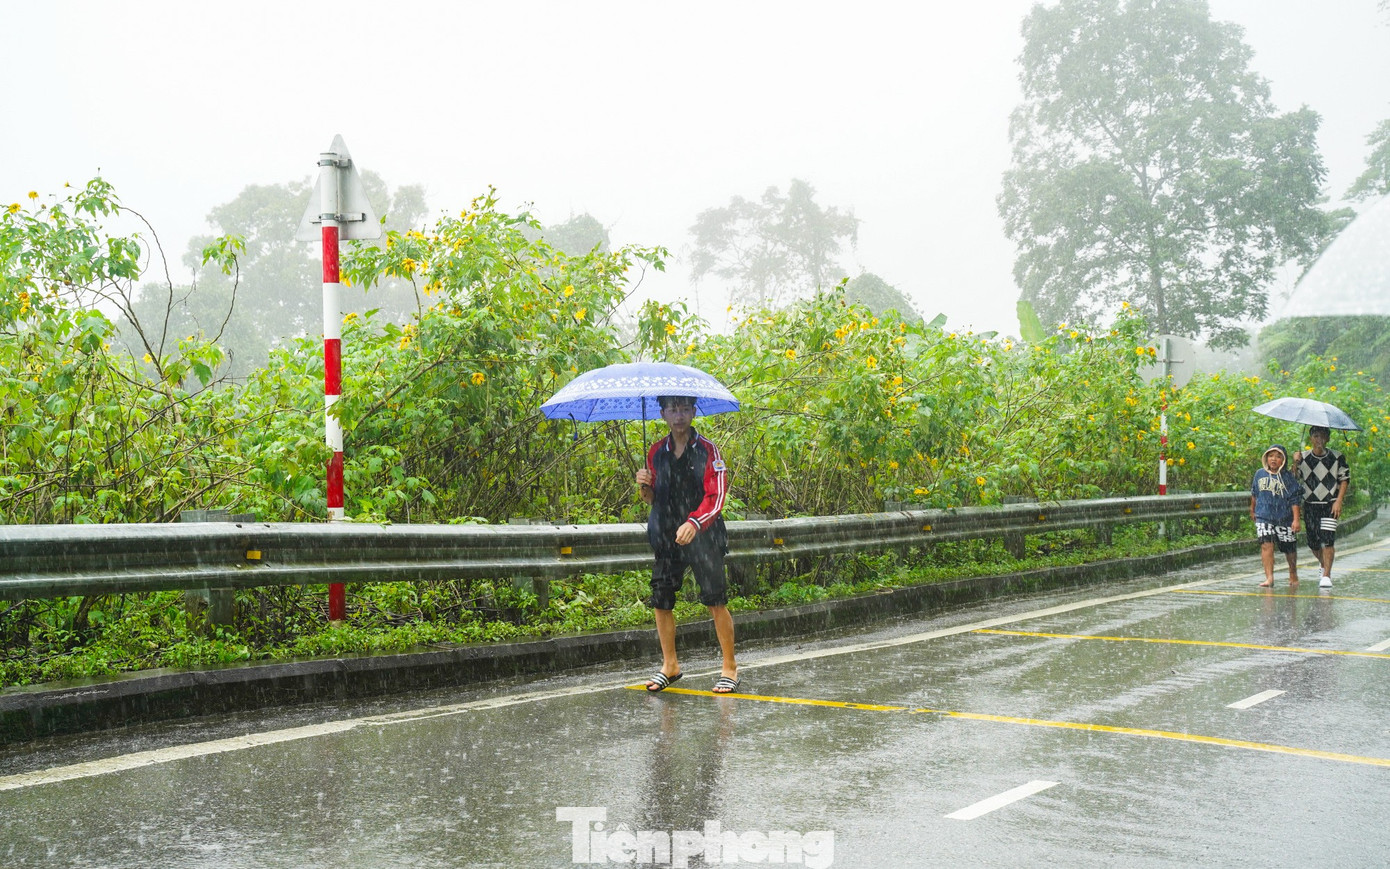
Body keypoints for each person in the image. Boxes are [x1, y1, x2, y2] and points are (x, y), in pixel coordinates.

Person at [634, 395, 740, 694]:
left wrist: (694, 522)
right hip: (666, 536)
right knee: (661, 598)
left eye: (683, 409)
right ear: (663, 414)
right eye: (672, 410)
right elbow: (654, 498)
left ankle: (729, 667)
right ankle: (670, 665)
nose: (678, 415)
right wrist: (644, 486)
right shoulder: (656, 451)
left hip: (704, 535)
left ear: (693, 412)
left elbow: (717, 496)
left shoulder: (708, 450)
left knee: (715, 599)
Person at [1293, 425, 1350, 589]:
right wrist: (1295, 463)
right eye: (1316, 436)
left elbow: (1344, 479)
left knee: (1328, 539)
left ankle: (1326, 575)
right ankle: (1324, 564)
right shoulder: (1303, 457)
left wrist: (1339, 501)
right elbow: (1294, 478)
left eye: (1323, 436)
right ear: (1311, 438)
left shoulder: (1337, 457)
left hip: (1330, 504)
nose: (1319, 440)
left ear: (1328, 439)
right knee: (1313, 542)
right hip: (1310, 504)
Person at [1250, 444, 1302, 589]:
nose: (1274, 459)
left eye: (1278, 456)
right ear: (1266, 458)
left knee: (1289, 548)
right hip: (1264, 516)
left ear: (1283, 460)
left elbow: (1295, 500)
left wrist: (1296, 519)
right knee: (1266, 545)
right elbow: (1254, 494)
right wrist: (1252, 510)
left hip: (1284, 518)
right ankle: (1269, 577)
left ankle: (1293, 572)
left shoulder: (1288, 477)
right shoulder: (1259, 474)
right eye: (1271, 456)